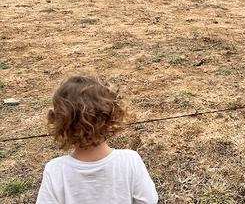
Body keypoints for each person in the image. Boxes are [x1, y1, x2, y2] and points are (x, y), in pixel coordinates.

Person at [36, 75, 158, 204]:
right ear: (111, 116)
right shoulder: (130, 161)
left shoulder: (55, 170)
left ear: (60, 123)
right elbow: (148, 201)